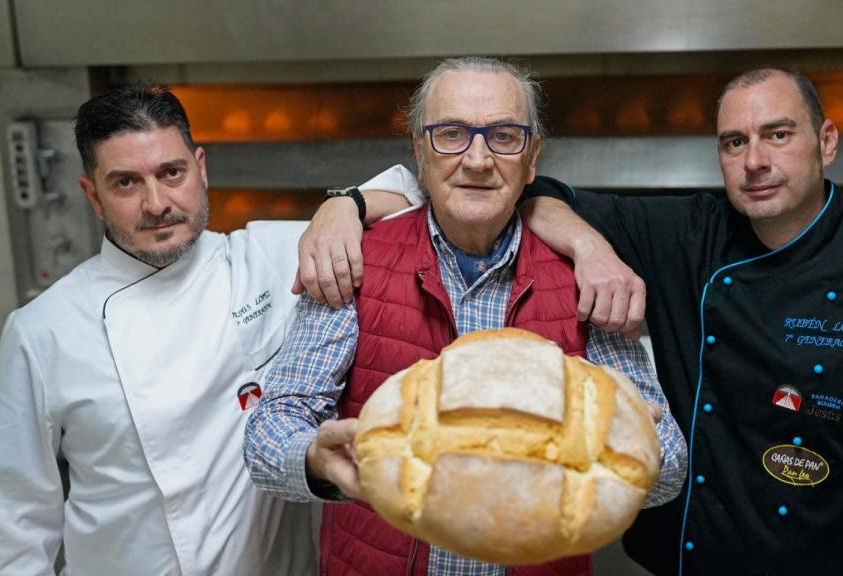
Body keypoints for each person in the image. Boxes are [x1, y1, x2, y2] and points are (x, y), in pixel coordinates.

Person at [301, 68, 843, 576]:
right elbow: (516, 185)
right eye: (733, 141)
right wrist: (349, 203)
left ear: (826, 142)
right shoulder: (689, 235)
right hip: (686, 563)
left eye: (778, 134)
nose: (756, 161)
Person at [244, 56, 687, 576]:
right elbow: (268, 432)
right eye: (451, 134)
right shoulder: (355, 259)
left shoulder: (586, 277)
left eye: (504, 136)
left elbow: (670, 465)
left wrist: (611, 437)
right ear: (419, 149)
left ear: (532, 157)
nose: (477, 160)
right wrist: (317, 462)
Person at [0, 85, 333, 575]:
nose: (156, 203)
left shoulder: (275, 257)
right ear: (92, 196)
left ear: (201, 168)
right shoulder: (43, 331)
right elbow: (16, 524)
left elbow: (409, 199)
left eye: (172, 173)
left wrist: (345, 206)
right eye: (125, 183)